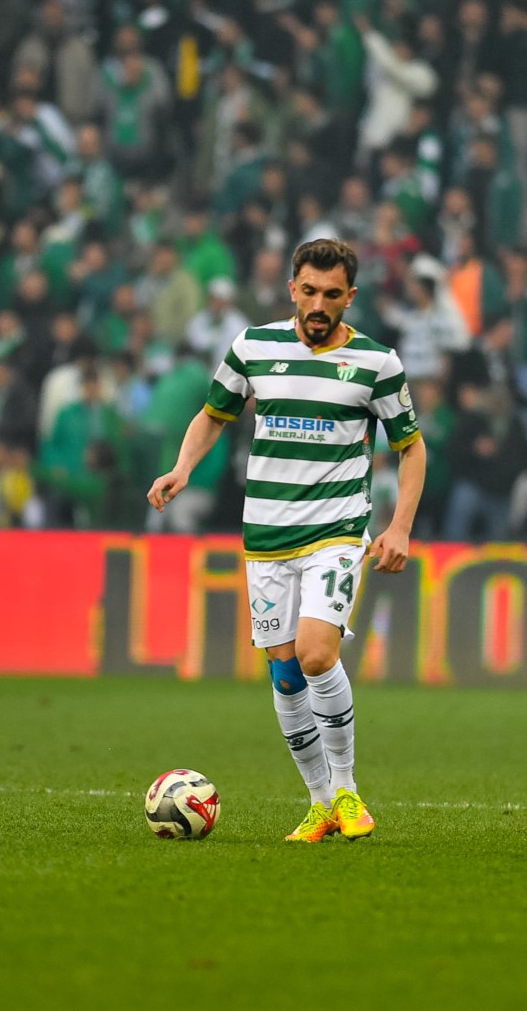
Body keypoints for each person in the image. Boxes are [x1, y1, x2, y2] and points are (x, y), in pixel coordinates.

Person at [147, 239, 427, 843]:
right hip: (267, 534)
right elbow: (213, 414)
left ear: (351, 297)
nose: (319, 304)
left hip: (336, 530)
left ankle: (347, 790)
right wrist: (183, 467)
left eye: (332, 294)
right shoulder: (254, 346)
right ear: (292, 289)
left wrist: (400, 525)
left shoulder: (377, 363)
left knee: (317, 654)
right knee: (285, 674)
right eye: (309, 291)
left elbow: (411, 447)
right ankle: (320, 803)